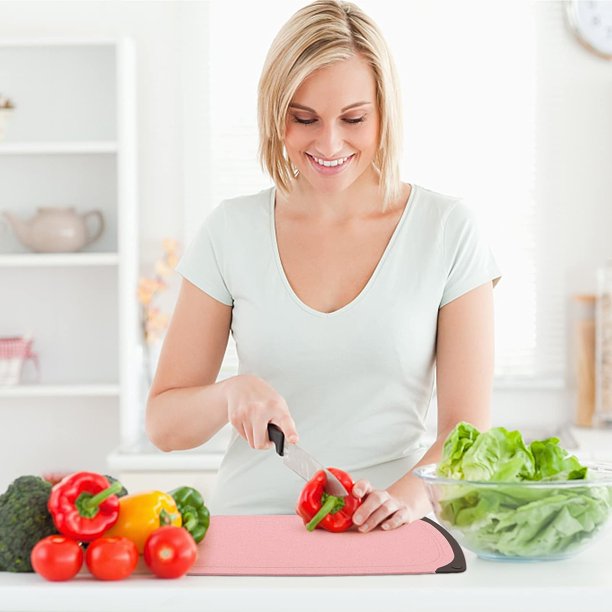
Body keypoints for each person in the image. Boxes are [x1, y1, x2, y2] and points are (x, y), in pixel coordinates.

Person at [146, 0, 501, 533]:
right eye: (304, 118)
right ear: (275, 115)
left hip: (386, 532)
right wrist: (229, 395)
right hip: (251, 532)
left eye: (354, 118)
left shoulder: (448, 230)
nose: (330, 143)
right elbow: (164, 426)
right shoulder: (231, 230)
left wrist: (407, 497)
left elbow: (466, 431)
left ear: (385, 112)